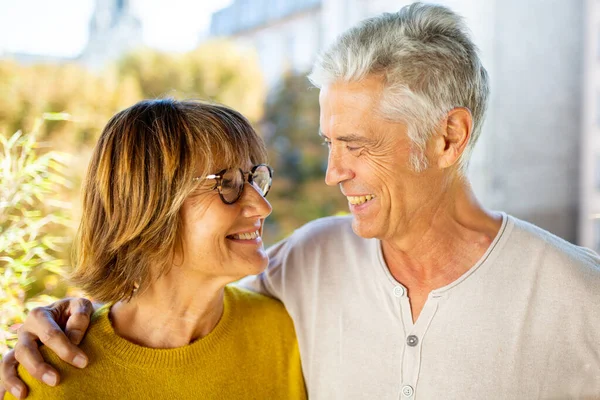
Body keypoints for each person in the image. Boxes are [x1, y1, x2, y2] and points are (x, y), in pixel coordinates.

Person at [3, 2, 600, 399]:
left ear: (448, 138)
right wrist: (48, 325)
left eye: (357, 146)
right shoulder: (307, 265)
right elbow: (164, 299)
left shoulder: (581, 299)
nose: (332, 173)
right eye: (329, 143)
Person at [1, 99, 306, 399]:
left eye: (255, 180)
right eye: (227, 183)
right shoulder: (48, 378)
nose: (263, 207)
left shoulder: (288, 331)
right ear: (147, 207)